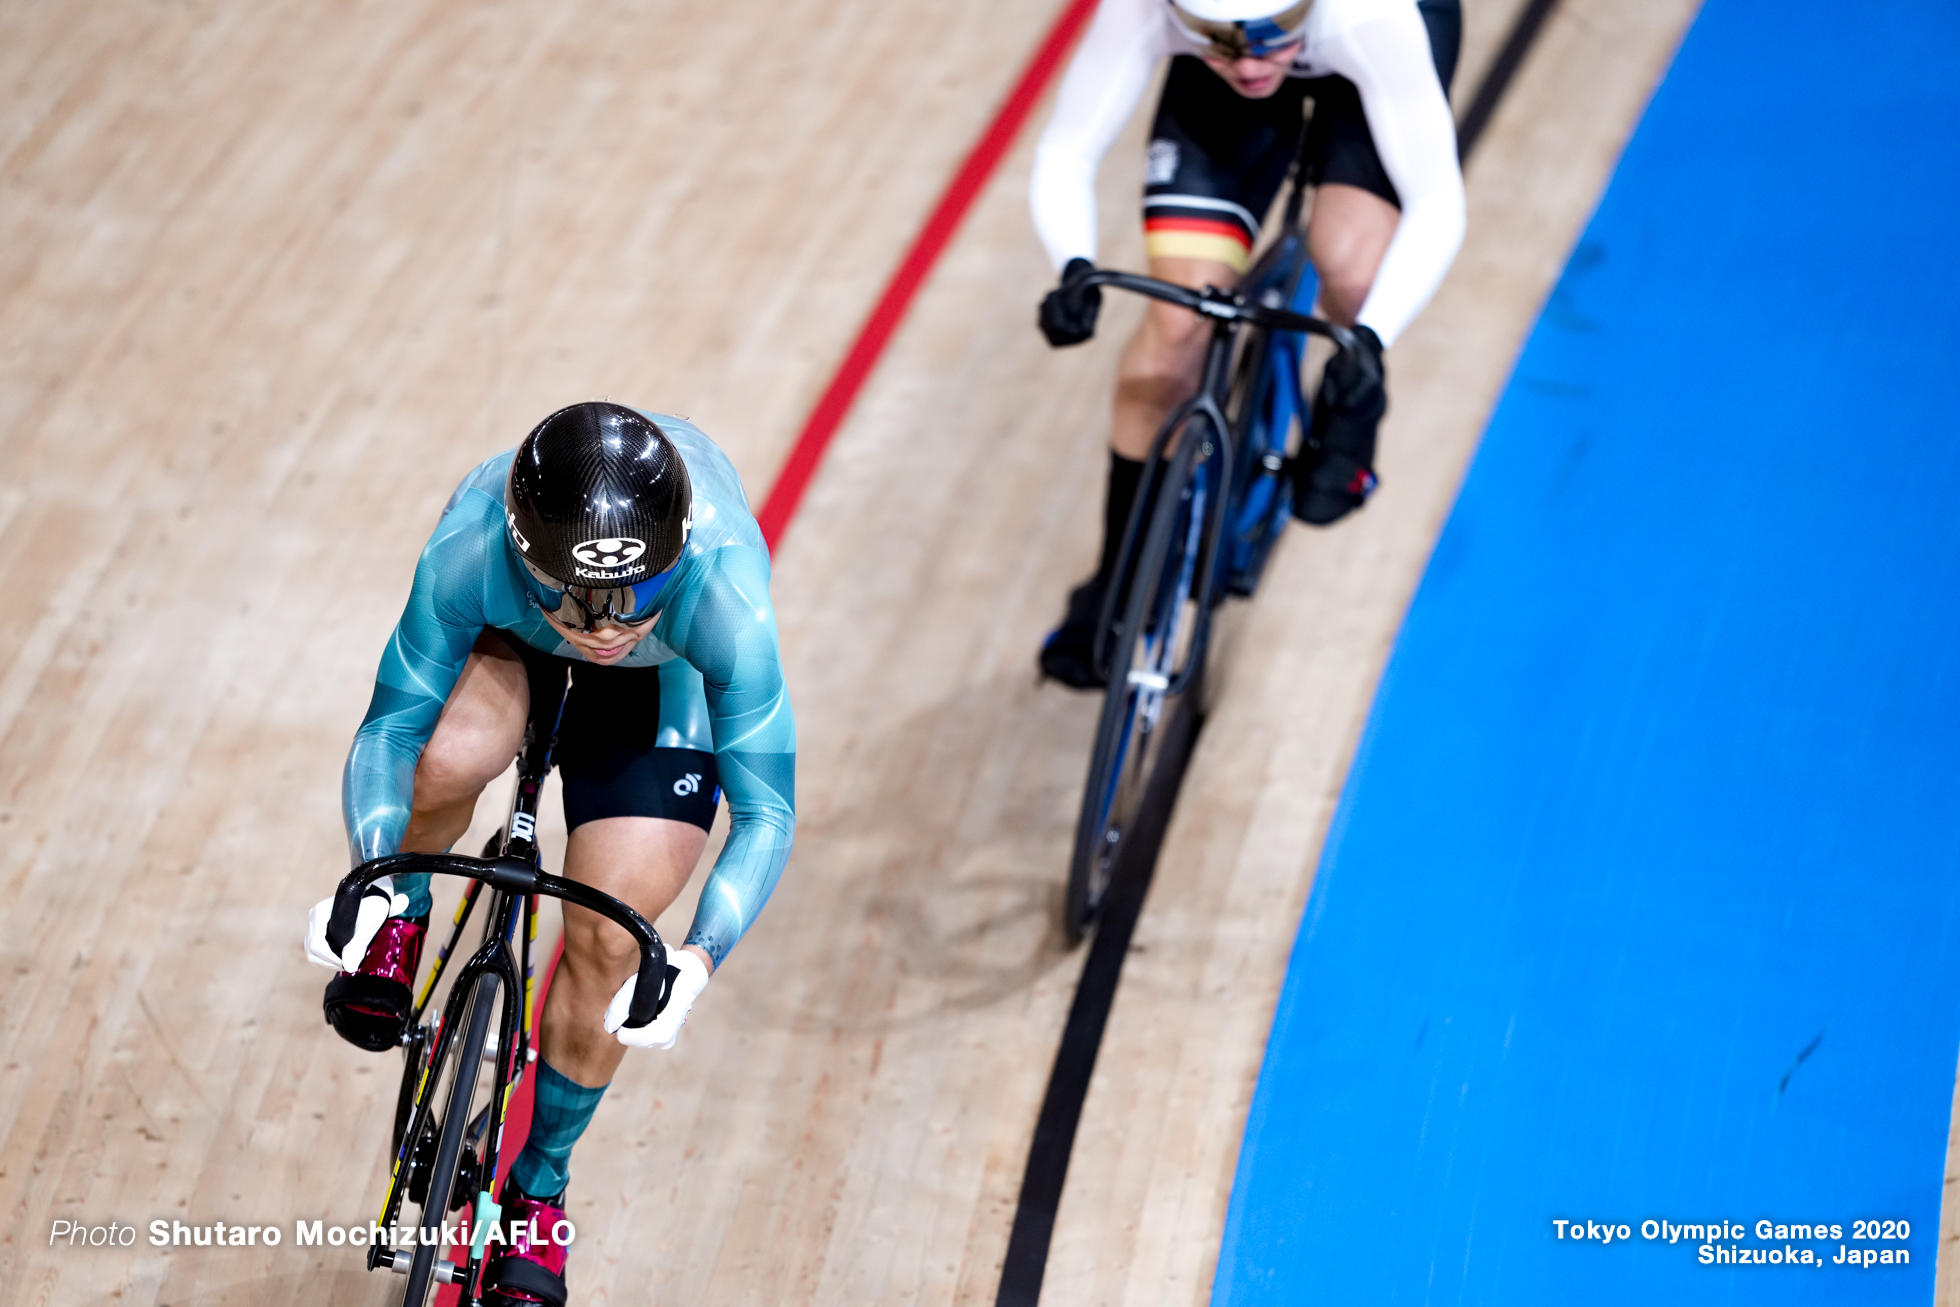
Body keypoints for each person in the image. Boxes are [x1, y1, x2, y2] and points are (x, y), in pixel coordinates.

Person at [302, 401, 795, 1306]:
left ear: (677, 561)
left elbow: (767, 814)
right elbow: (390, 732)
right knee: (445, 758)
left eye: (631, 598)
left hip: (665, 676)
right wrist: (369, 868)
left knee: (612, 943)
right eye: (574, 597)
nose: (603, 627)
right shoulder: (472, 546)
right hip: (509, 642)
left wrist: (696, 957)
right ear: (523, 556)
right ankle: (401, 918)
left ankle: (540, 1184)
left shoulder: (723, 592)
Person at [1031, 0, 1465, 686]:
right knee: (1176, 327)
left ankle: (1354, 410)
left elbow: (1438, 200)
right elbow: (1066, 149)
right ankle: (1116, 581)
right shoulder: (1149, 9)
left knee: (1354, 275)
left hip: (1365, 62)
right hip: (1230, 86)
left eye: (1270, 42)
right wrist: (1074, 266)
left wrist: (1371, 342)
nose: (1253, 66)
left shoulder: (1369, 17)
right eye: (1222, 43)